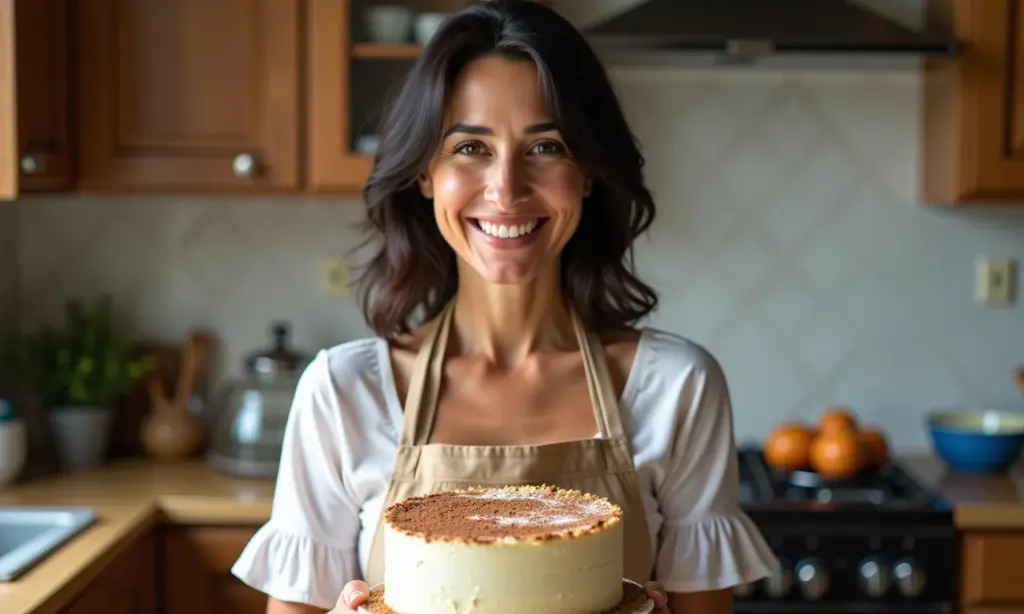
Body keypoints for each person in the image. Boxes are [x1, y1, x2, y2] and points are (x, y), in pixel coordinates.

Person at [231, 1, 778, 612]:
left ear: (589, 172)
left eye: (545, 147)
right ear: (424, 174)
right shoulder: (344, 393)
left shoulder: (675, 387)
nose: (507, 189)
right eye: (470, 148)